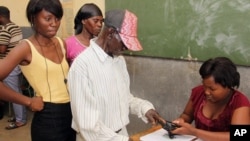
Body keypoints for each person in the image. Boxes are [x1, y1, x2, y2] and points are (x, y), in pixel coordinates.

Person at [67, 9, 165, 141]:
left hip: (120, 134)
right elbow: (88, 125)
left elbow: (124, 98)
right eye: (124, 42)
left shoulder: (119, 61)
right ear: (110, 33)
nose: (127, 48)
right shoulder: (82, 66)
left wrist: (144, 109)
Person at [0, 0, 75, 141]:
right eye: (48, 18)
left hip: (70, 114)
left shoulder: (61, 43)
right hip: (47, 117)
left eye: (57, 18)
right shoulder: (25, 47)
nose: (54, 23)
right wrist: (28, 101)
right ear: (33, 18)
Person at [171, 57, 250, 141]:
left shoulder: (239, 102)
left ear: (228, 85)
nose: (206, 92)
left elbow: (240, 135)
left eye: (212, 89)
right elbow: (187, 115)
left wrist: (195, 132)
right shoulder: (199, 92)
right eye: (204, 86)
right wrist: (181, 121)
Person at [0, 5, 28, 130]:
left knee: (13, 93)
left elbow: (2, 50)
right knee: (16, 91)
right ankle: (19, 116)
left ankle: (20, 120)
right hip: (16, 64)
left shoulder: (5, 29)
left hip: (9, 65)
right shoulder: (15, 26)